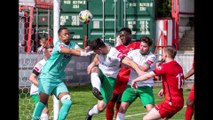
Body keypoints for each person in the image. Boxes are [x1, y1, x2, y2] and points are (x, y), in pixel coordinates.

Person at [31, 27, 94, 120]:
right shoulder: (58, 45)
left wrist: (88, 50)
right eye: (65, 34)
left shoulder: (72, 44)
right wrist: (84, 54)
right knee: (43, 102)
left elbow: (80, 50)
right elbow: (69, 51)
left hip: (58, 79)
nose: (68, 35)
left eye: (68, 34)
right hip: (47, 77)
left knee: (67, 102)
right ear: (59, 36)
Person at [85, 38, 143, 120]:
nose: (95, 53)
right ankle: (96, 89)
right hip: (101, 73)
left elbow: (130, 62)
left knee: (101, 108)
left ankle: (90, 112)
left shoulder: (115, 54)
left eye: (96, 51)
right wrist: (92, 64)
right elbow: (97, 57)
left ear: (100, 49)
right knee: (94, 69)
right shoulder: (101, 49)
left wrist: (139, 71)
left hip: (110, 80)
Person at [130, 46, 184, 120]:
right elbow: (175, 80)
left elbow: (147, 76)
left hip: (171, 102)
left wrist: (135, 80)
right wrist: (164, 89)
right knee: (162, 119)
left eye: (162, 54)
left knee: (146, 118)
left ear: (166, 55)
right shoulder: (178, 66)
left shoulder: (165, 66)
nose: (161, 55)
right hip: (180, 101)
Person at [116, 36, 157, 120]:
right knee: (122, 107)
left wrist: (130, 63)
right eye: (141, 45)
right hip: (131, 85)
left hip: (145, 86)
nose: (142, 48)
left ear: (150, 47)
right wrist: (128, 63)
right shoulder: (133, 52)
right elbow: (123, 64)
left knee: (151, 110)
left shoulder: (152, 57)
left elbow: (143, 69)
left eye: (145, 46)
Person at [106, 28, 141, 120]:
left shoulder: (137, 45)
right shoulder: (117, 49)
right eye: (120, 35)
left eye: (123, 35)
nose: (121, 37)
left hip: (128, 80)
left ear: (130, 35)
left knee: (119, 103)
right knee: (110, 102)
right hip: (117, 79)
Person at [29, 44, 56, 120]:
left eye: (53, 51)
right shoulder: (41, 64)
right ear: (45, 52)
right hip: (37, 91)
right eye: (50, 51)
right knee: (44, 112)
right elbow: (31, 77)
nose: (52, 53)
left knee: (40, 114)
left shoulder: (52, 64)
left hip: (44, 92)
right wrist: (43, 87)